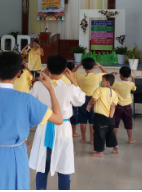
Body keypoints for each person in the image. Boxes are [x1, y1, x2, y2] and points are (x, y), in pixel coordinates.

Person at [0, 51, 63, 190]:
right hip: (15, 154)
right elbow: (58, 119)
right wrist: (51, 89)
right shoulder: (26, 100)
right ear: (18, 73)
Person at [30, 55, 85, 190]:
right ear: (65, 70)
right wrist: (73, 81)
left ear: (47, 68)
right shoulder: (69, 88)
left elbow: (31, 102)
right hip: (63, 128)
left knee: (42, 166)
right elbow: (80, 100)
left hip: (44, 127)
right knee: (64, 166)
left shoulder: (38, 86)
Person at [73, 57, 108, 145]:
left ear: (83, 67)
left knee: (83, 120)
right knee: (92, 120)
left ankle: (83, 139)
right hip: (93, 99)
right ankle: (92, 139)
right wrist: (100, 66)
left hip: (82, 99)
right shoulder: (97, 76)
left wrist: (78, 65)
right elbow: (106, 73)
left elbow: (71, 73)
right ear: (93, 67)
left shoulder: (79, 75)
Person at [87, 73, 119, 157]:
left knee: (99, 134)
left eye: (102, 80)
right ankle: (115, 146)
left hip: (100, 117)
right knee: (110, 132)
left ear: (107, 83)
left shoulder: (99, 89)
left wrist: (89, 104)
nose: (101, 82)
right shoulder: (114, 93)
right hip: (110, 117)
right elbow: (113, 106)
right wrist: (110, 117)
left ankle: (99, 152)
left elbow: (94, 99)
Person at [111, 66, 137, 144]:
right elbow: (134, 89)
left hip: (117, 106)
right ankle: (130, 139)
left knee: (115, 124)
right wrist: (133, 78)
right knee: (129, 123)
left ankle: (114, 140)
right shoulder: (131, 84)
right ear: (129, 75)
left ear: (120, 75)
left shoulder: (116, 83)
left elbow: (109, 83)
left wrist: (111, 74)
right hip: (127, 107)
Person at [67, 61, 79, 138]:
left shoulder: (62, 76)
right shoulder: (74, 75)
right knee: (74, 116)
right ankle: (73, 132)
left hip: (66, 98)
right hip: (73, 98)